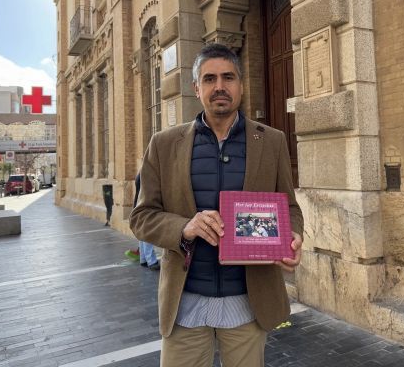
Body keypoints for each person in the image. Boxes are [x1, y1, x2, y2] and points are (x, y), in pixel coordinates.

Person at [130, 43, 304, 367]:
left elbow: (289, 207)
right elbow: (141, 217)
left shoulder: (272, 141)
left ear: (240, 85)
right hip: (186, 303)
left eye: (228, 77)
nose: (219, 86)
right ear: (197, 88)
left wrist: (292, 236)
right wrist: (184, 227)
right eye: (209, 79)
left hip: (247, 303)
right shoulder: (164, 145)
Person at [125, 173, 160, 270]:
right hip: (144, 206)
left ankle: (143, 259)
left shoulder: (140, 174)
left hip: (138, 205)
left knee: (142, 233)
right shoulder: (146, 173)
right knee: (147, 232)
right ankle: (152, 261)